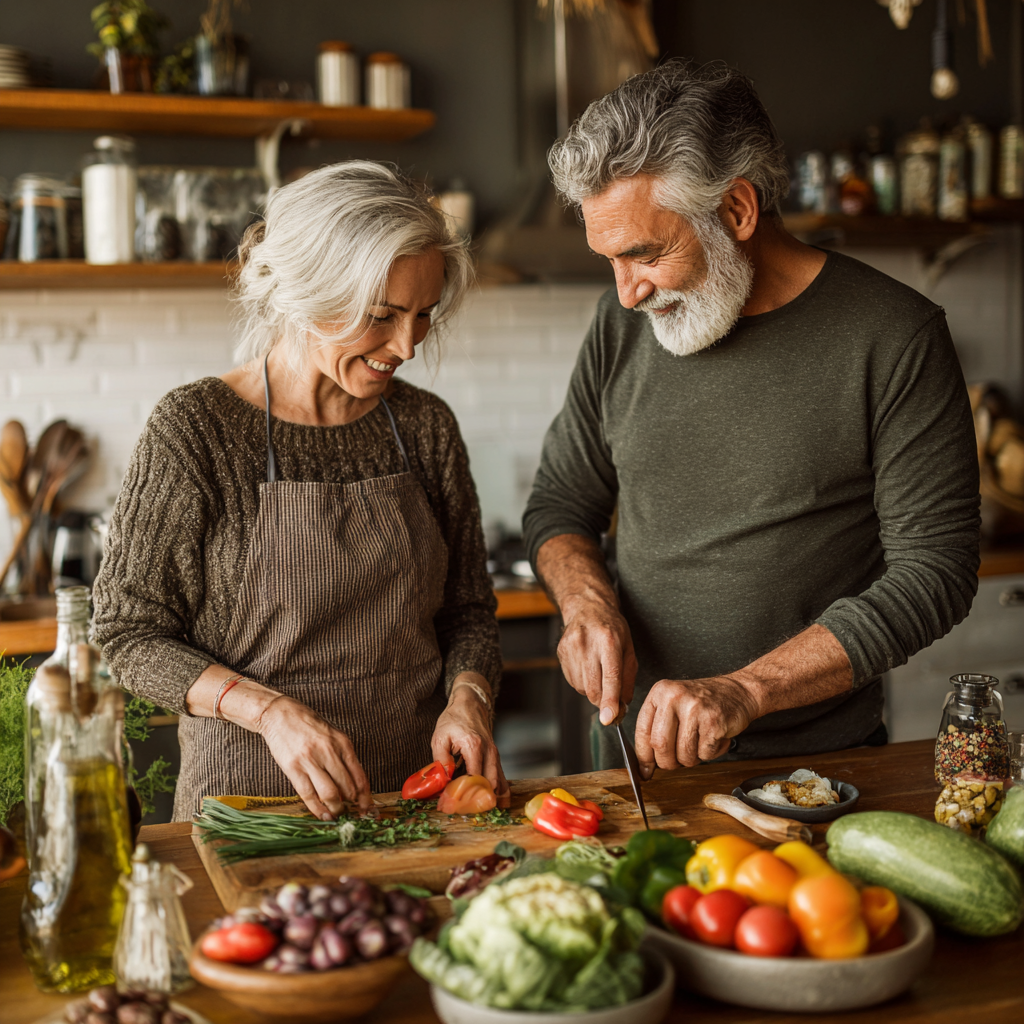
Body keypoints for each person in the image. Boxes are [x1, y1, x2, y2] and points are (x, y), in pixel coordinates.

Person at [523, 61, 980, 776]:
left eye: (644, 254)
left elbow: (936, 572)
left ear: (737, 210)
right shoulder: (620, 328)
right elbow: (560, 503)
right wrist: (586, 605)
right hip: (632, 766)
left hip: (816, 774)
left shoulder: (893, 335)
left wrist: (745, 691)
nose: (627, 293)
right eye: (608, 259)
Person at [94, 162, 507, 821]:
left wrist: (469, 698)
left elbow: (469, 612)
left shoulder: (426, 426)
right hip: (247, 815)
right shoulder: (197, 428)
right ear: (307, 293)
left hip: (413, 806)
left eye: (423, 315)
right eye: (381, 315)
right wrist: (271, 713)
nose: (406, 344)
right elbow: (126, 634)